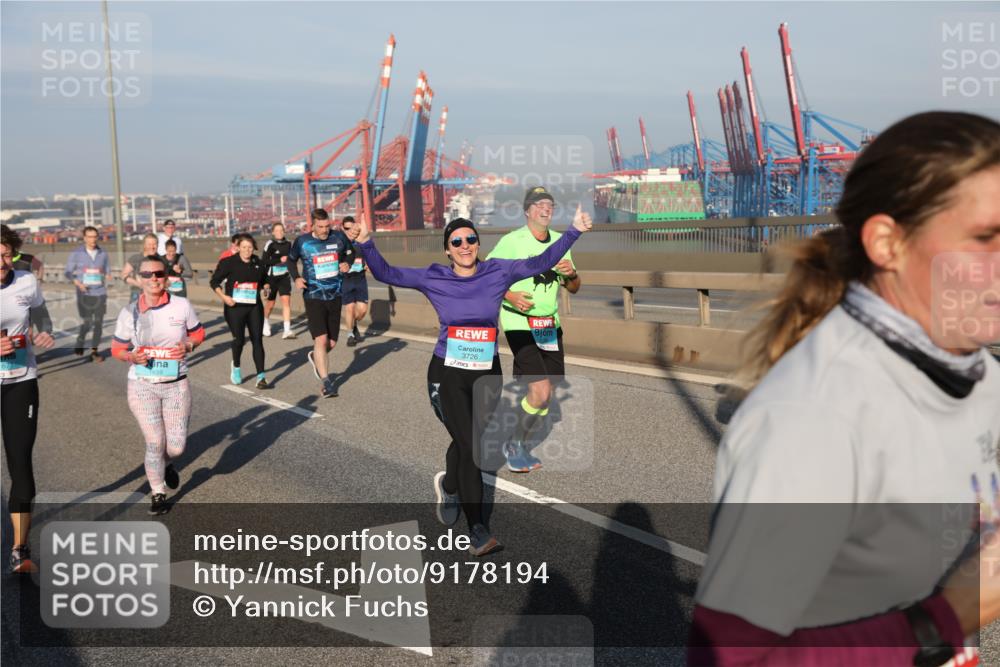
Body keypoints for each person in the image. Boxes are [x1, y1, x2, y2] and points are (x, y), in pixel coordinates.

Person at [689, 112, 1000, 666]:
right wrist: (949, 617)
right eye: (985, 239)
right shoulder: (811, 417)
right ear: (888, 243)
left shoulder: (979, 373)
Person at [357, 208, 592, 556]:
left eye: (470, 239)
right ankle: (478, 530)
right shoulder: (434, 277)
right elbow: (387, 272)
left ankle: (449, 485)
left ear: (478, 244)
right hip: (447, 376)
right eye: (457, 241)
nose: (465, 245)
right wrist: (366, 243)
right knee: (471, 448)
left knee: (468, 440)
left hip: (487, 375)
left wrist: (574, 231)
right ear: (447, 250)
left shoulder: (498, 271)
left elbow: (542, 261)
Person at [487, 186, 581, 472]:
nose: (546, 208)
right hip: (519, 323)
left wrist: (572, 275)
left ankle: (521, 440)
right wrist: (509, 295)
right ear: (527, 211)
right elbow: (486, 276)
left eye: (549, 203)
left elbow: (574, 288)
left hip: (548, 326)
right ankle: (514, 443)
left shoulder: (560, 242)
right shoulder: (511, 242)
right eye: (538, 203)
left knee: (547, 393)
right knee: (539, 391)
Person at [111, 255, 205, 515]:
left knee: (175, 447)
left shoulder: (181, 305)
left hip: (176, 384)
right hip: (142, 385)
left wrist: (189, 345)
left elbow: (198, 332)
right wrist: (131, 356)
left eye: (158, 274)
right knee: (154, 441)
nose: (153, 278)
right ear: (139, 279)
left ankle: (167, 464)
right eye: (147, 274)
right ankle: (158, 492)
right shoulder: (128, 312)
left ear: (166, 277)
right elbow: (117, 349)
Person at [1, 225, 55, 572]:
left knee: (20, 463)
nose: (2, 262)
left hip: (21, 381)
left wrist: (44, 330)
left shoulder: (26, 281)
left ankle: (20, 549)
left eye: (6, 255)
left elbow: (40, 312)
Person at [287, 209, 350, 398]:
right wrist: (296, 278)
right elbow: (291, 261)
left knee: (331, 342)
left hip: (335, 294)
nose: (324, 230)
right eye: (320, 227)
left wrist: (347, 262)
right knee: (321, 340)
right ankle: (326, 383)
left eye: (327, 226)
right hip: (313, 295)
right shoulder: (303, 242)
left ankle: (316, 356)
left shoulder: (338, 237)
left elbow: (350, 253)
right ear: (312, 225)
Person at [210, 233, 271, 389]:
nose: (247, 250)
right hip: (234, 307)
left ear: (254, 248)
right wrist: (224, 297)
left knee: (257, 340)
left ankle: (261, 377)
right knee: (239, 340)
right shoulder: (228, 262)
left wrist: (266, 287)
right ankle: (236, 366)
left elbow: (264, 279)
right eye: (244, 247)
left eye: (250, 247)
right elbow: (214, 281)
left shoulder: (258, 262)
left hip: (254, 306)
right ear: (238, 248)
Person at [64, 225, 110, 361]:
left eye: (95, 236)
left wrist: (107, 275)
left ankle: (95, 351)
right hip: (84, 293)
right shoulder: (76, 253)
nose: (93, 239)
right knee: (88, 323)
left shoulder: (103, 253)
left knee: (99, 323)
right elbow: (67, 272)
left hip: (100, 292)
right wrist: (77, 283)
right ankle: (81, 338)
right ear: (84, 238)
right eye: (90, 237)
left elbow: (107, 270)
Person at [262, 222, 295, 339]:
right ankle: (265, 322)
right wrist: (278, 259)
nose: (279, 232)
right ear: (273, 232)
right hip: (271, 278)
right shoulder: (270, 244)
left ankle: (287, 330)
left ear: (284, 231)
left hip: (284, 277)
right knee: (270, 304)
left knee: (286, 302)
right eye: (277, 230)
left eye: (281, 230)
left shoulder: (289, 244)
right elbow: (264, 261)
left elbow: (291, 260)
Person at [340, 215, 369, 347]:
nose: (349, 231)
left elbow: (369, 255)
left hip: (360, 278)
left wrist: (368, 264)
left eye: (351, 228)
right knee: (350, 308)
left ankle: (353, 323)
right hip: (346, 279)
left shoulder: (361, 241)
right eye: (346, 228)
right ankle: (350, 334)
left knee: (362, 311)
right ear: (342, 228)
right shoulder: (339, 243)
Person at [122, 233, 161, 303]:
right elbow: (124, 275)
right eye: (149, 244)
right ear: (144, 245)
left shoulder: (161, 260)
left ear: (158, 245)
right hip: (137, 294)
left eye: (154, 244)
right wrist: (138, 284)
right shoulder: (135, 258)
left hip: (156, 295)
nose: (152, 247)